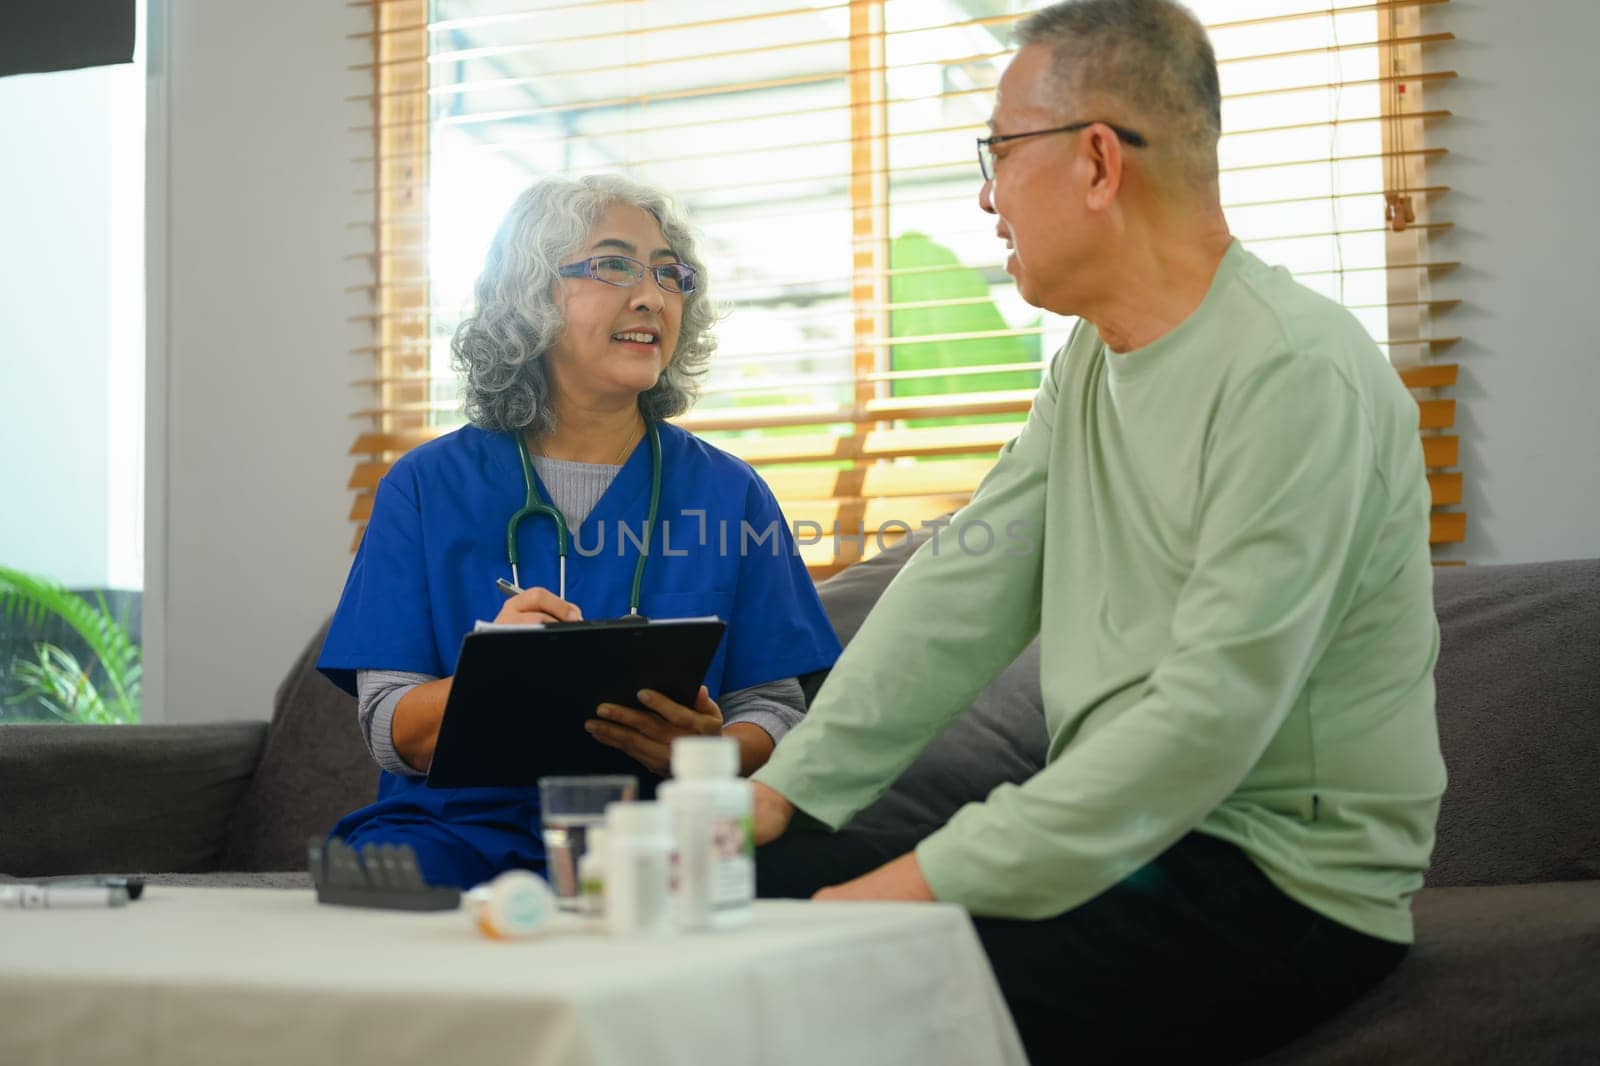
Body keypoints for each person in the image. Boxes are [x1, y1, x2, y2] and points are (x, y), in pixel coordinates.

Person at [749, 1, 1447, 1062]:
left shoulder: (1292, 374)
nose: (986, 197)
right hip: (1130, 837)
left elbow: (1204, 720)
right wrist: (781, 792)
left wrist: (900, 893)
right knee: (736, 886)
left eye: (998, 152)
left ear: (1094, 164)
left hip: (1273, 879)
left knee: (853, 979)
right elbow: (964, 584)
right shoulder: (1086, 363)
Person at [317, 174, 840, 890]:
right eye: (613, 265)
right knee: (385, 874)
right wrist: (491, 669)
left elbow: (775, 709)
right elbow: (389, 728)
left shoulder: (730, 492)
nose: (652, 295)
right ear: (530, 296)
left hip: (663, 825)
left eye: (668, 273)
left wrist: (708, 749)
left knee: (817, 868)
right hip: (467, 825)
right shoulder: (425, 487)